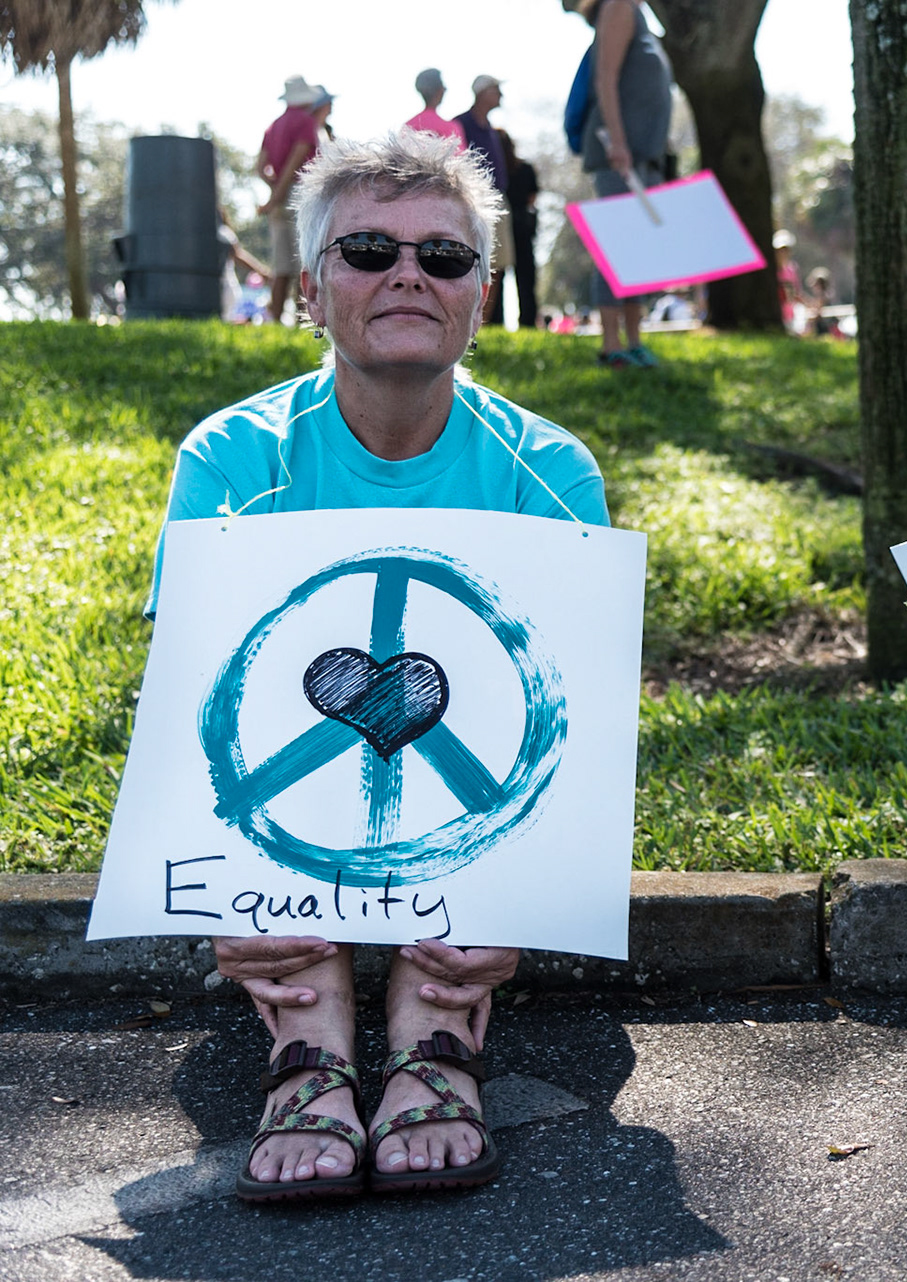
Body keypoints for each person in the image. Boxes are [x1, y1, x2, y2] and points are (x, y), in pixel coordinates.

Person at [151, 130, 609, 1201]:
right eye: (368, 250)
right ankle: (307, 1050)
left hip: (476, 817)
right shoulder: (231, 458)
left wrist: (523, 896)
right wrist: (220, 891)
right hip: (291, 822)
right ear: (313, 291)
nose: (408, 274)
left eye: (443, 257)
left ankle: (432, 1036)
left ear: (480, 297)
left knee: (486, 769)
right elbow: (194, 701)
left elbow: (574, 723)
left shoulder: (549, 469)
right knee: (276, 767)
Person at [565, 0, 674, 369]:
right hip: (620, 153)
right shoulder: (618, 6)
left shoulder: (636, 13)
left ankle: (635, 342)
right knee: (617, 245)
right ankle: (611, 346)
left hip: (644, 155)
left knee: (638, 251)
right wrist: (619, 142)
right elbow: (605, 78)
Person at [256, 76, 331, 324]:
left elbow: (260, 167)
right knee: (304, 262)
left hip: (279, 199)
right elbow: (296, 161)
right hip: (301, 195)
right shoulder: (306, 122)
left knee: (280, 265)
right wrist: (281, 192)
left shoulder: (274, 125)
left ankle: (275, 320)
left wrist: (274, 192)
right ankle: (303, 322)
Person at [454, 75, 513, 326]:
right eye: (495, 89)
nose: (500, 95)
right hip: (470, 201)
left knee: (498, 262)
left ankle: (483, 323)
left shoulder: (490, 128)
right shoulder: (460, 124)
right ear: (482, 93)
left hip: (497, 201)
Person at [497, 129, 540, 329]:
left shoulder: (497, 171)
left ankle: (496, 320)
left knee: (497, 274)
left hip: (504, 225)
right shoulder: (525, 168)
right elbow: (532, 198)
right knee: (525, 278)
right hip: (522, 227)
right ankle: (527, 321)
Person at [405, 69, 466, 146]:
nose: (445, 89)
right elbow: (458, 152)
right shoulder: (450, 129)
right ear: (439, 90)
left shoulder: (408, 126)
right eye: (442, 86)